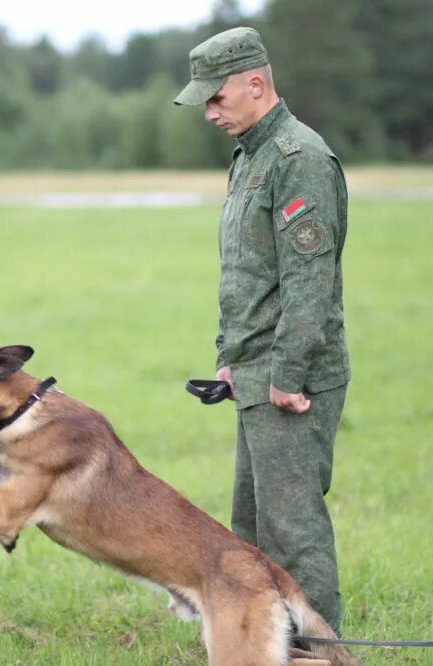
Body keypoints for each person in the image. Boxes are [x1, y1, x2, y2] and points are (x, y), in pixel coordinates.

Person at [174, 27, 351, 632]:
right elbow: (247, 274)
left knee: (293, 528)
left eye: (217, 98)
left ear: (256, 84)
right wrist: (230, 357)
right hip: (252, 372)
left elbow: (309, 281)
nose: (210, 113)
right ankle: (262, 641)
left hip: (289, 377)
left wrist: (287, 375)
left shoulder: (298, 159)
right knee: (250, 526)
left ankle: (320, 650)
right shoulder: (251, 156)